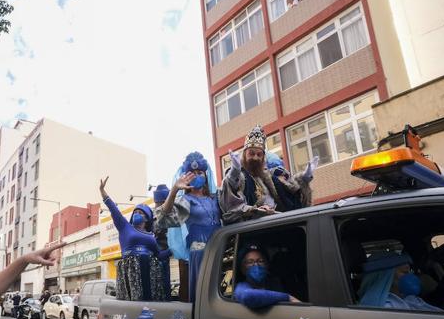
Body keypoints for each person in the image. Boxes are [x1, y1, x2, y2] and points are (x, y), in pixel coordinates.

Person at [220, 126, 318, 224]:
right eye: (251, 153)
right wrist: (234, 171)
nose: (255, 158)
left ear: (263, 158)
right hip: (255, 228)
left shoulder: (268, 177)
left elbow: (290, 192)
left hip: (277, 222)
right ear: (244, 154)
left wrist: (304, 178)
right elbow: (232, 192)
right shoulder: (240, 176)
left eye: (259, 155)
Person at [157, 152, 223, 296]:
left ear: (206, 175)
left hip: (219, 250)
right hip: (200, 253)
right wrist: (174, 190)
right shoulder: (186, 200)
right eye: (192, 173)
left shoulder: (214, 198)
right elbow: (163, 219)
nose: (197, 175)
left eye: (200, 172)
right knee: (203, 294)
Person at [100, 177, 170, 301]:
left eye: (141, 213)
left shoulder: (151, 235)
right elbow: (113, 209)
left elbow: (158, 255)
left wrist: (174, 250)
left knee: (149, 303)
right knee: (134, 304)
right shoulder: (125, 227)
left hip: (150, 270)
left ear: (147, 218)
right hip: (131, 269)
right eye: (136, 212)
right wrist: (103, 191)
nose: (137, 214)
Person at [358, 251, 444, 312]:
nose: (411, 276)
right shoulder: (386, 309)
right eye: (404, 272)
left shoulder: (410, 299)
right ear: (386, 278)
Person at [233, 245, 300, 309]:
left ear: (267, 265)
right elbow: (248, 296)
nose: (256, 265)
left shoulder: (275, 283)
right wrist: (288, 297)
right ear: (242, 268)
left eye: (260, 261)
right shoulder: (241, 286)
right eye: (250, 262)